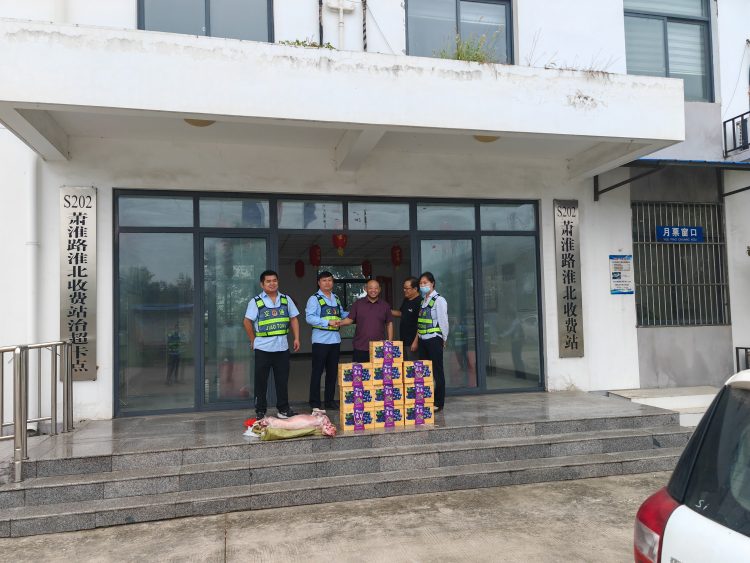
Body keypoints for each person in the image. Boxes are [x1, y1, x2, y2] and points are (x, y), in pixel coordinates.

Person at [243, 270, 300, 419]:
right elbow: (247, 321)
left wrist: (296, 338)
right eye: (268, 281)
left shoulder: (286, 299)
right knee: (261, 381)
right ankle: (260, 410)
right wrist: (253, 340)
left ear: (278, 282)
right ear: (262, 284)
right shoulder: (256, 301)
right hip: (263, 348)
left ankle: (283, 409)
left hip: (282, 348)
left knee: (282, 380)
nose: (272, 283)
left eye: (274, 280)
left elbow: (294, 318)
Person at [305, 270, 349, 410]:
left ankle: (329, 401)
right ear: (319, 283)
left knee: (332, 373)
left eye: (329, 280)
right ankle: (315, 403)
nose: (327, 283)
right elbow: (309, 318)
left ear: (333, 282)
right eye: (324, 280)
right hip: (320, 341)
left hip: (335, 340)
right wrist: (327, 322)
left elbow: (341, 314)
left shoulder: (336, 298)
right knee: (317, 372)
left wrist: (356, 313)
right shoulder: (314, 299)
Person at [415, 272, 449, 412]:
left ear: (432, 283)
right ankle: (426, 399)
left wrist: (444, 338)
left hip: (434, 339)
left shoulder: (439, 300)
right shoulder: (423, 300)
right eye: (421, 283)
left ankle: (439, 402)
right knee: (424, 371)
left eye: (425, 283)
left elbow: (443, 321)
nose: (423, 285)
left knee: (437, 371)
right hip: (423, 340)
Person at [339, 279, 393, 363]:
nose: (373, 290)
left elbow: (389, 324)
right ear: (365, 289)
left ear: (379, 289)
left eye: (376, 288)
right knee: (359, 371)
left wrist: (390, 342)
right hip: (360, 346)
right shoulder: (358, 304)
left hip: (379, 347)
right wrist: (338, 323)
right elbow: (349, 320)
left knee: (378, 371)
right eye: (370, 288)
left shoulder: (385, 305)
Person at [391, 276, 421, 361]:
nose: (404, 290)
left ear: (415, 289)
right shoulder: (406, 300)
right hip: (404, 340)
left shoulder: (420, 302)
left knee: (412, 366)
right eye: (404, 288)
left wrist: (416, 342)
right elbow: (401, 313)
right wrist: (386, 311)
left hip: (413, 342)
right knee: (405, 365)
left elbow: (421, 324)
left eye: (407, 288)